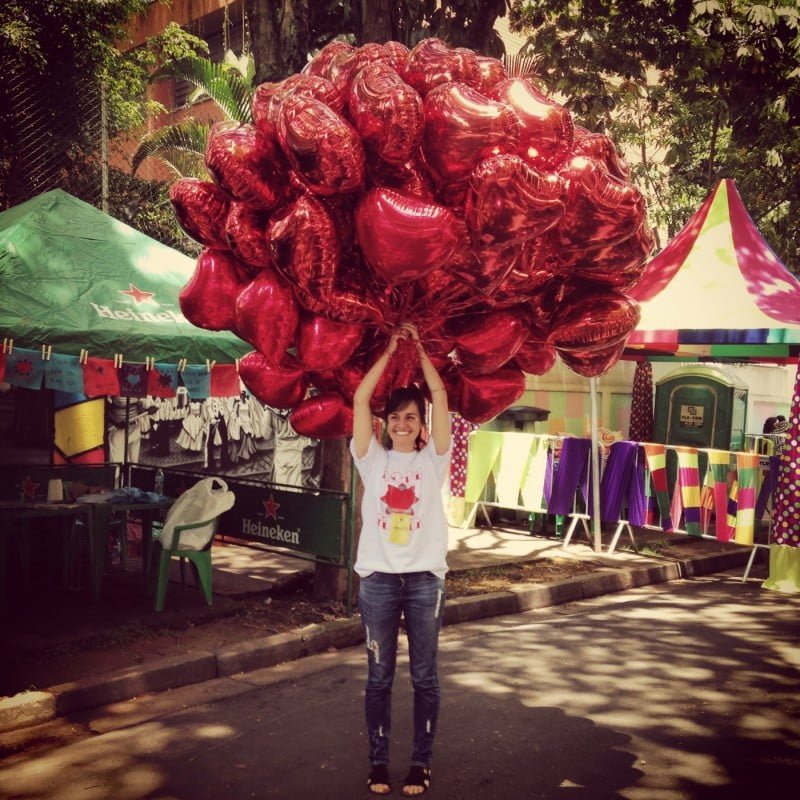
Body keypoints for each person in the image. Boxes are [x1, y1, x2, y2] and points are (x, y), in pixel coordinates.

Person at [351, 323, 451, 797]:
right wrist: (390, 351)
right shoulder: (371, 459)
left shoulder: (434, 459)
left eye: (411, 417)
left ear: (422, 424)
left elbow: (439, 392)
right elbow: (359, 400)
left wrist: (422, 351)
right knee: (378, 677)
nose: (402, 424)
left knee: (425, 676)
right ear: (387, 422)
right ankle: (377, 762)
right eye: (396, 417)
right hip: (378, 581)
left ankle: (420, 763)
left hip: (424, 580)